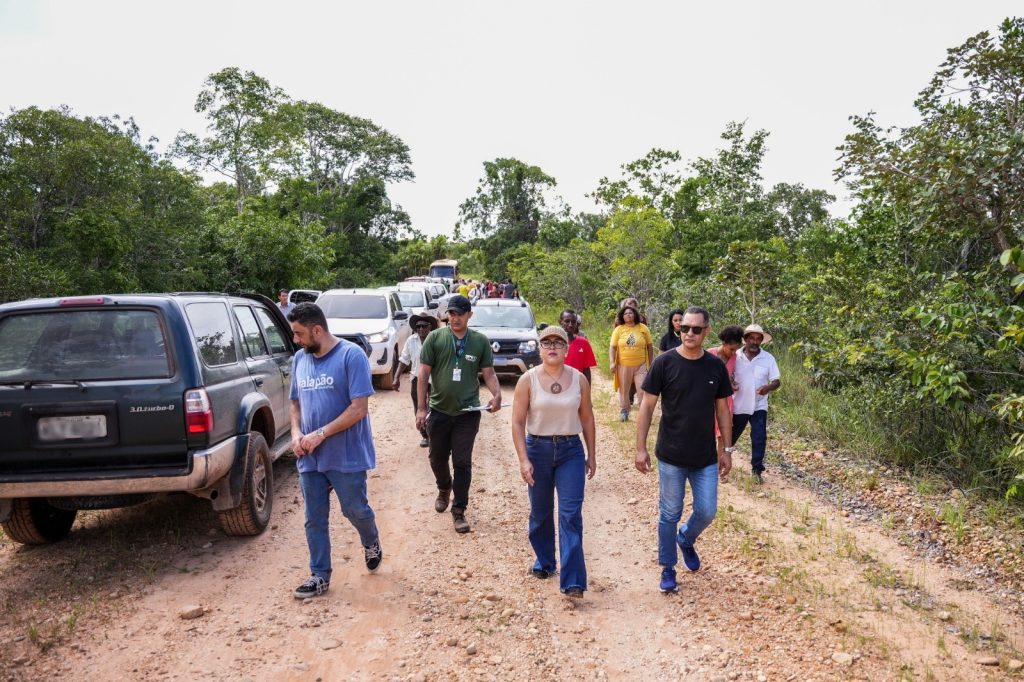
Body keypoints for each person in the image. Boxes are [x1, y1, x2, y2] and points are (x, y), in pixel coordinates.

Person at [635, 306, 734, 593]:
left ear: (706, 331)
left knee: (707, 511)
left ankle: (686, 539)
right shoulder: (665, 363)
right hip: (671, 455)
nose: (688, 333)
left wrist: (725, 448)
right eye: (684, 328)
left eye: (695, 329)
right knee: (669, 513)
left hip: (704, 456)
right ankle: (668, 567)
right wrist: (640, 448)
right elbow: (647, 406)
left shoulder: (715, 366)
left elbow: (723, 411)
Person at [287, 302, 382, 599]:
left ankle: (371, 539)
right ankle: (319, 575)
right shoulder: (299, 359)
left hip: (346, 454)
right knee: (314, 517)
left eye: (299, 334)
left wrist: (321, 433)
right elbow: (295, 403)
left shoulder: (350, 356)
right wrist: (296, 433)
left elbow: (359, 409)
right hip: (310, 456)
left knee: (355, 510)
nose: (296, 340)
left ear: (317, 330)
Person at [511, 326, 597, 598]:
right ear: (539, 348)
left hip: (570, 449)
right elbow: (517, 421)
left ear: (566, 348)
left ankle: (573, 580)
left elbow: (587, 418)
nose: (552, 347)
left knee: (570, 514)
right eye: (546, 342)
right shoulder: (528, 380)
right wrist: (523, 459)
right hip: (538, 448)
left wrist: (591, 454)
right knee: (541, 512)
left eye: (558, 343)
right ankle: (545, 561)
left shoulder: (578, 379)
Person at [416, 295, 502, 534]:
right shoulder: (435, 338)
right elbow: (423, 375)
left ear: (469, 316)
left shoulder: (479, 342)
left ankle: (459, 510)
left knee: (462, 462)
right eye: (451, 314)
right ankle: (444, 487)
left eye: (459, 314)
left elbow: (489, 373)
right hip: (439, 411)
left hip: (468, 412)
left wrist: (496, 395)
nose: (455, 318)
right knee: (436, 457)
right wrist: (421, 408)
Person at [732, 324, 781, 484]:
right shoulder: (735, 355)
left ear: (761, 341)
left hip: (759, 405)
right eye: (751, 338)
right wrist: (730, 383)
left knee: (759, 437)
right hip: (739, 404)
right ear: (745, 339)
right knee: (731, 436)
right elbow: (726, 375)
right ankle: (719, 461)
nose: (754, 342)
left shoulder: (768, 358)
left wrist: (768, 387)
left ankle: (757, 470)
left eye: (758, 339)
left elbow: (776, 381)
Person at [393, 313, 439, 448]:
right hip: (416, 378)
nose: (421, 329)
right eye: (418, 326)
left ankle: (433, 435)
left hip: (434, 379)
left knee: (434, 407)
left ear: (430, 327)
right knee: (419, 407)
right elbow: (404, 360)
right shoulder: (411, 340)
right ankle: (424, 435)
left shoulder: (436, 340)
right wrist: (396, 377)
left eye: (424, 326)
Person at [609, 305, 653, 422]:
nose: (628, 315)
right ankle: (624, 410)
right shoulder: (618, 329)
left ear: (635, 315)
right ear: (622, 317)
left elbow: (649, 346)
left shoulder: (643, 328)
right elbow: (612, 348)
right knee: (624, 389)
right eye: (625, 314)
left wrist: (651, 363)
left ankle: (644, 413)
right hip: (623, 365)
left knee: (642, 389)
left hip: (641, 365)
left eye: (630, 313)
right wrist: (612, 362)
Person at [707, 325, 745, 457]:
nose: (734, 353)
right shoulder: (709, 354)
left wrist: (732, 384)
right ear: (724, 343)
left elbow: (729, 377)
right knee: (707, 431)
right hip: (709, 399)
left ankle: (720, 464)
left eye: (736, 350)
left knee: (722, 434)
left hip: (725, 399)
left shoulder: (734, 358)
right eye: (732, 349)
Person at [560, 309, 597, 383]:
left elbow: (586, 370)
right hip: (557, 388)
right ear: (560, 322)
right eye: (567, 321)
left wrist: (587, 391)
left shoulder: (583, 343)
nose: (570, 324)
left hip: (577, 388)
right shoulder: (552, 344)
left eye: (573, 322)